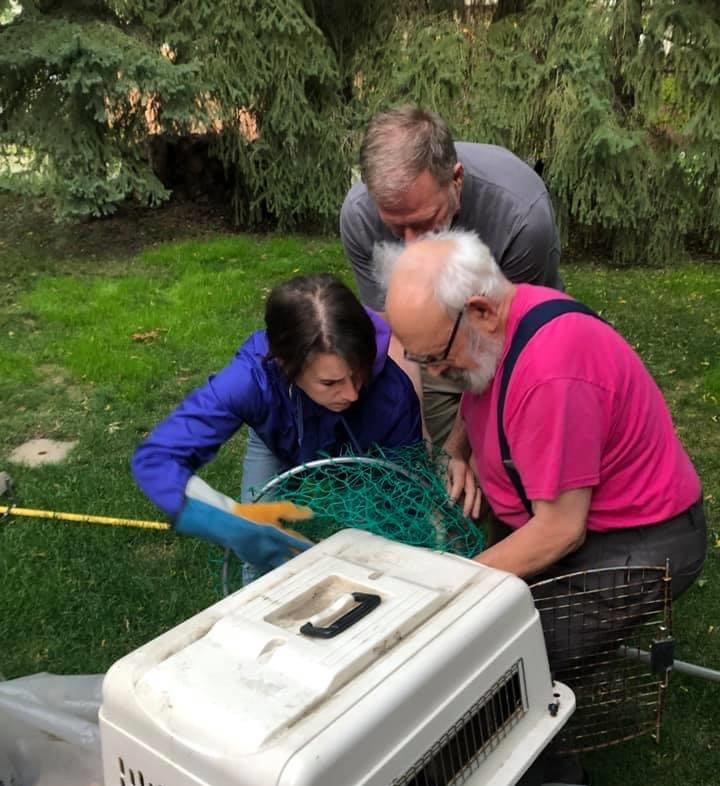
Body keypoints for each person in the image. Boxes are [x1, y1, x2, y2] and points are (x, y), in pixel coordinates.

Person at [376, 228, 707, 606]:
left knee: (514, 645)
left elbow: (561, 530)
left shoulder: (550, 374)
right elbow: (477, 398)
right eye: (423, 359)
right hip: (556, 518)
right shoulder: (497, 325)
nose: (433, 373)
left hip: (640, 536)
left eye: (437, 357)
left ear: (480, 310)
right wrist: (455, 449)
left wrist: (454, 589)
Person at [132, 273, 422, 572]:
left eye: (358, 373)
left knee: (373, 543)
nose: (351, 393)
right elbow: (156, 458)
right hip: (280, 433)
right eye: (330, 381)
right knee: (258, 541)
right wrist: (223, 519)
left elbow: (406, 497)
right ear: (285, 365)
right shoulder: (250, 381)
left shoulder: (392, 396)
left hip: (366, 450)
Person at [340, 105, 562, 445]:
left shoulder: (522, 217)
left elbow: (508, 345)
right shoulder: (359, 216)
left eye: (425, 221)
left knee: (507, 463)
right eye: (396, 227)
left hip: (516, 345)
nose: (412, 246)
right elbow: (397, 335)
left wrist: (461, 445)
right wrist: (423, 434)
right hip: (427, 352)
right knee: (443, 477)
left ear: (456, 180)